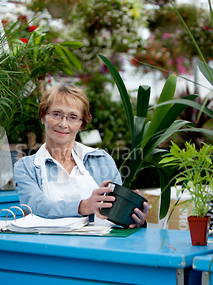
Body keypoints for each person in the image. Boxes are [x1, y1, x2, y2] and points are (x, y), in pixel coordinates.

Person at [13, 83, 148, 228]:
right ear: (43, 117)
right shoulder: (26, 167)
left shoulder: (102, 159)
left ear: (81, 124)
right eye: (56, 114)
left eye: (73, 117)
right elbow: (36, 207)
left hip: (100, 246)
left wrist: (133, 218)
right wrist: (83, 206)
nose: (63, 124)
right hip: (50, 247)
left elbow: (115, 213)